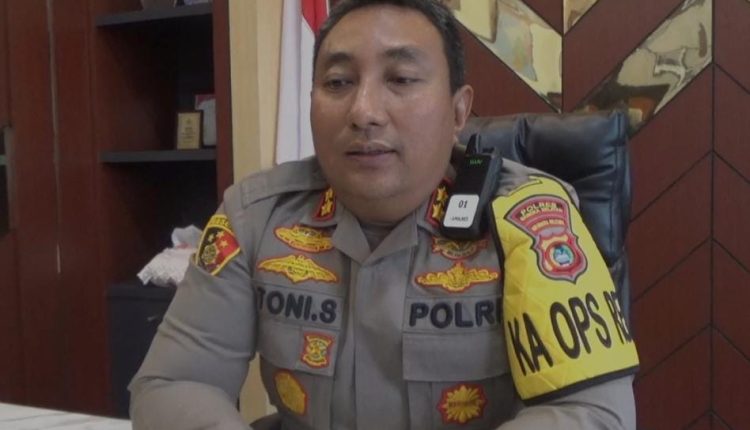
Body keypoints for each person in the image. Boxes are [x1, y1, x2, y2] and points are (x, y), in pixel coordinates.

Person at [129, 1, 639, 429]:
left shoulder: (532, 219)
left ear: (458, 112)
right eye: (337, 82)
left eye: (401, 78)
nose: (364, 111)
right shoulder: (255, 215)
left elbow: (591, 412)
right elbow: (174, 382)